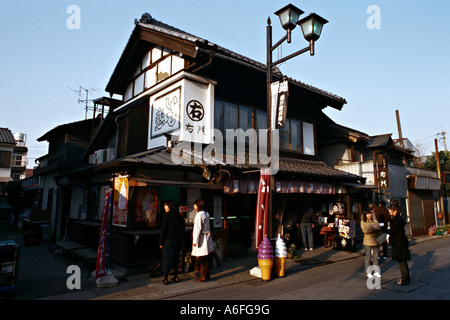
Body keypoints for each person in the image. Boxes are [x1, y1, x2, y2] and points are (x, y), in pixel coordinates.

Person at [159, 200, 186, 285]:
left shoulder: (167, 216)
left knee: (167, 258)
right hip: (177, 240)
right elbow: (183, 227)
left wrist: (161, 242)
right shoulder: (179, 215)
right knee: (175, 258)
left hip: (169, 240)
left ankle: (165, 278)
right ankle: (176, 276)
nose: (164, 207)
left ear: (169, 206)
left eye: (166, 206)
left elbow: (163, 230)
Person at [387, 203, 411, 286]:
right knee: (402, 261)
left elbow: (393, 231)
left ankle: (405, 280)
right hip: (400, 242)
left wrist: (383, 229)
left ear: (395, 211)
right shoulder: (397, 219)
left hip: (399, 243)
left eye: (390, 210)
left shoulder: (397, 220)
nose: (389, 211)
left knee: (401, 261)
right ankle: (405, 278)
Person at [192, 199, 215, 282]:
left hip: (201, 239)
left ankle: (202, 276)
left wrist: (195, 241)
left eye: (195, 204)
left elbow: (197, 229)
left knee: (202, 258)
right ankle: (207, 274)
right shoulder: (206, 214)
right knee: (206, 257)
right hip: (207, 238)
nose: (194, 206)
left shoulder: (199, 216)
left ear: (198, 206)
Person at [360, 210, 381, 279]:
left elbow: (379, 228)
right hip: (367, 241)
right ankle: (368, 272)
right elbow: (365, 230)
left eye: (370, 214)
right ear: (365, 215)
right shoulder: (363, 222)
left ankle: (376, 271)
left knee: (375, 257)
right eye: (368, 214)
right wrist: (373, 227)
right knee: (368, 257)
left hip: (376, 240)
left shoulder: (374, 220)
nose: (369, 215)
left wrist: (376, 227)